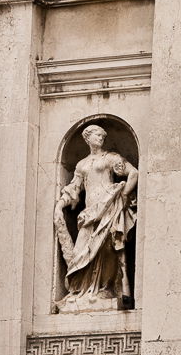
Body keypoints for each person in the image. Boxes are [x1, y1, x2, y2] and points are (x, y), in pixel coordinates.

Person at [53, 124, 138, 311]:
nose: (101, 137)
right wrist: (61, 203)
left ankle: (106, 288)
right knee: (82, 252)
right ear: (87, 138)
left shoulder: (111, 158)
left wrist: (123, 195)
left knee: (108, 249)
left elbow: (133, 173)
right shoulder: (81, 165)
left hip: (109, 208)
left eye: (103, 135)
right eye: (98, 135)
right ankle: (84, 290)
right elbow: (74, 189)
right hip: (90, 213)